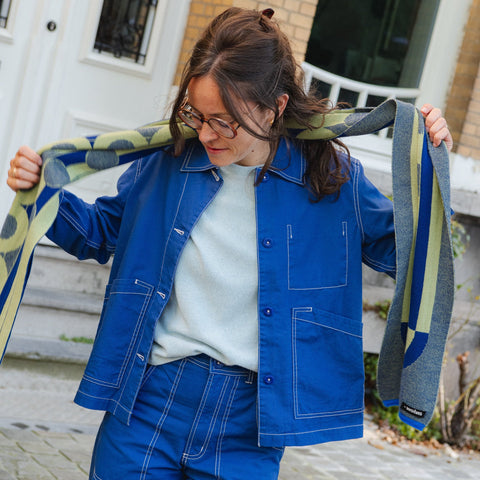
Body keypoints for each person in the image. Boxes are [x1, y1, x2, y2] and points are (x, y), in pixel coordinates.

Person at [6, 7, 452, 480]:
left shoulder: (331, 179)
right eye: (196, 114)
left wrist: (426, 176)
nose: (205, 133)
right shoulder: (169, 162)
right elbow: (101, 233)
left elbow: (408, 258)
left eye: (225, 121)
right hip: (147, 402)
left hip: (251, 423)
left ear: (275, 107)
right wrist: (43, 194)